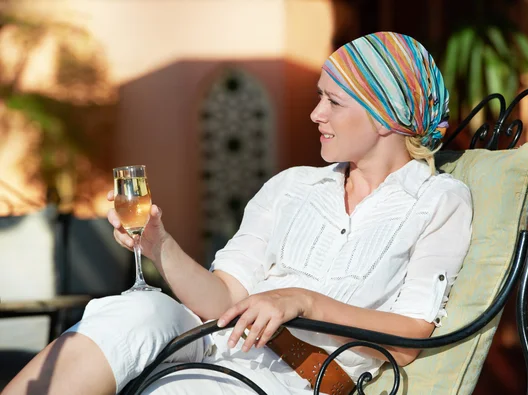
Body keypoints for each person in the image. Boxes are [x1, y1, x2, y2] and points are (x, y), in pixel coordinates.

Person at [3, 32, 473, 395]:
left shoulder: (437, 200)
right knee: (136, 309)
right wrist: (159, 244)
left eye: (333, 101)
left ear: (387, 115)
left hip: (287, 377)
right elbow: (224, 296)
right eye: (319, 96)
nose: (315, 114)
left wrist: (302, 301)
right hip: (214, 343)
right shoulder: (291, 187)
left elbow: (411, 336)